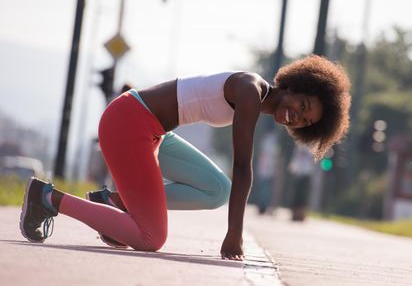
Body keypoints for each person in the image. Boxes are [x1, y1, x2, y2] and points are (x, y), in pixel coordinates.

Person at [19, 54, 351, 260]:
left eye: (305, 121)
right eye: (303, 106)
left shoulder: (258, 97)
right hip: (128, 123)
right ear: (294, 86)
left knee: (216, 189)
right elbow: (242, 166)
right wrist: (233, 233)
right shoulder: (251, 91)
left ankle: (116, 203)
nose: (296, 117)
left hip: (152, 132)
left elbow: (232, 177)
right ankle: (46, 197)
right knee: (151, 238)